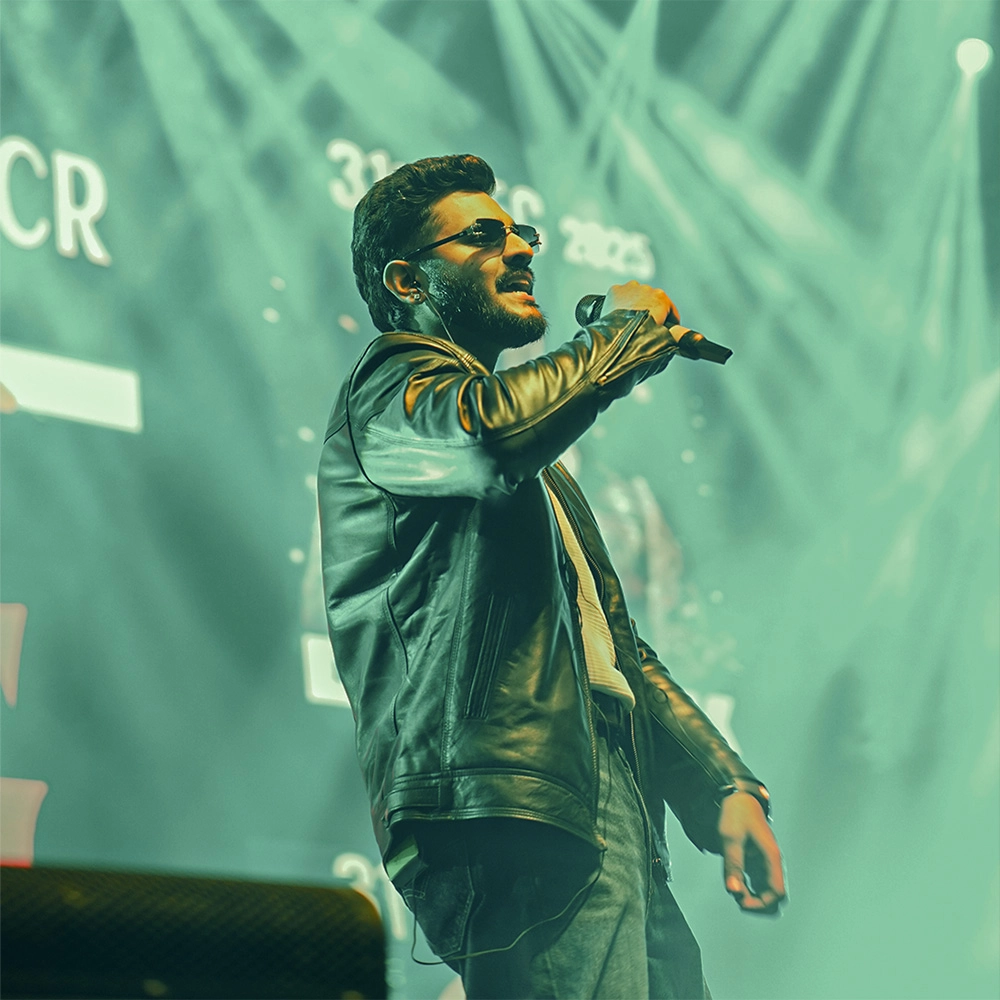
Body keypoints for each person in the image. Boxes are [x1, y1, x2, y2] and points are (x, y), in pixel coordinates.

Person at [318, 154, 786, 1000]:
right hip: (511, 800)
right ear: (407, 279)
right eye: (483, 236)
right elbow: (488, 438)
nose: (521, 249)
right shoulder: (391, 388)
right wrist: (625, 334)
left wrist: (722, 784)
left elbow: (618, 655)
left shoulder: (543, 474)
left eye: (521, 233)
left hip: (591, 788)